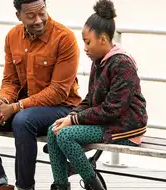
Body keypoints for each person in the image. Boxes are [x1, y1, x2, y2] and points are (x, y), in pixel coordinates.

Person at [0, 0, 82, 189]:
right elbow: (11, 81)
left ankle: (25, 186)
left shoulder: (64, 38)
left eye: (42, 13)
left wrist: (15, 107)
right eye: (30, 16)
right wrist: (2, 101)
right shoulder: (12, 36)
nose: (38, 20)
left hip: (61, 108)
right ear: (19, 16)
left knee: (22, 120)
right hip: (24, 108)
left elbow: (58, 92)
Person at [46, 0, 148, 189]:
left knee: (66, 136)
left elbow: (113, 109)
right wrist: (70, 117)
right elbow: (90, 99)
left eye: (87, 41)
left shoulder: (122, 64)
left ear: (102, 39)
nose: (84, 47)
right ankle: (60, 185)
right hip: (106, 122)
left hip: (125, 127)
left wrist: (74, 120)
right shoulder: (99, 60)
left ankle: (95, 186)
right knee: (54, 130)